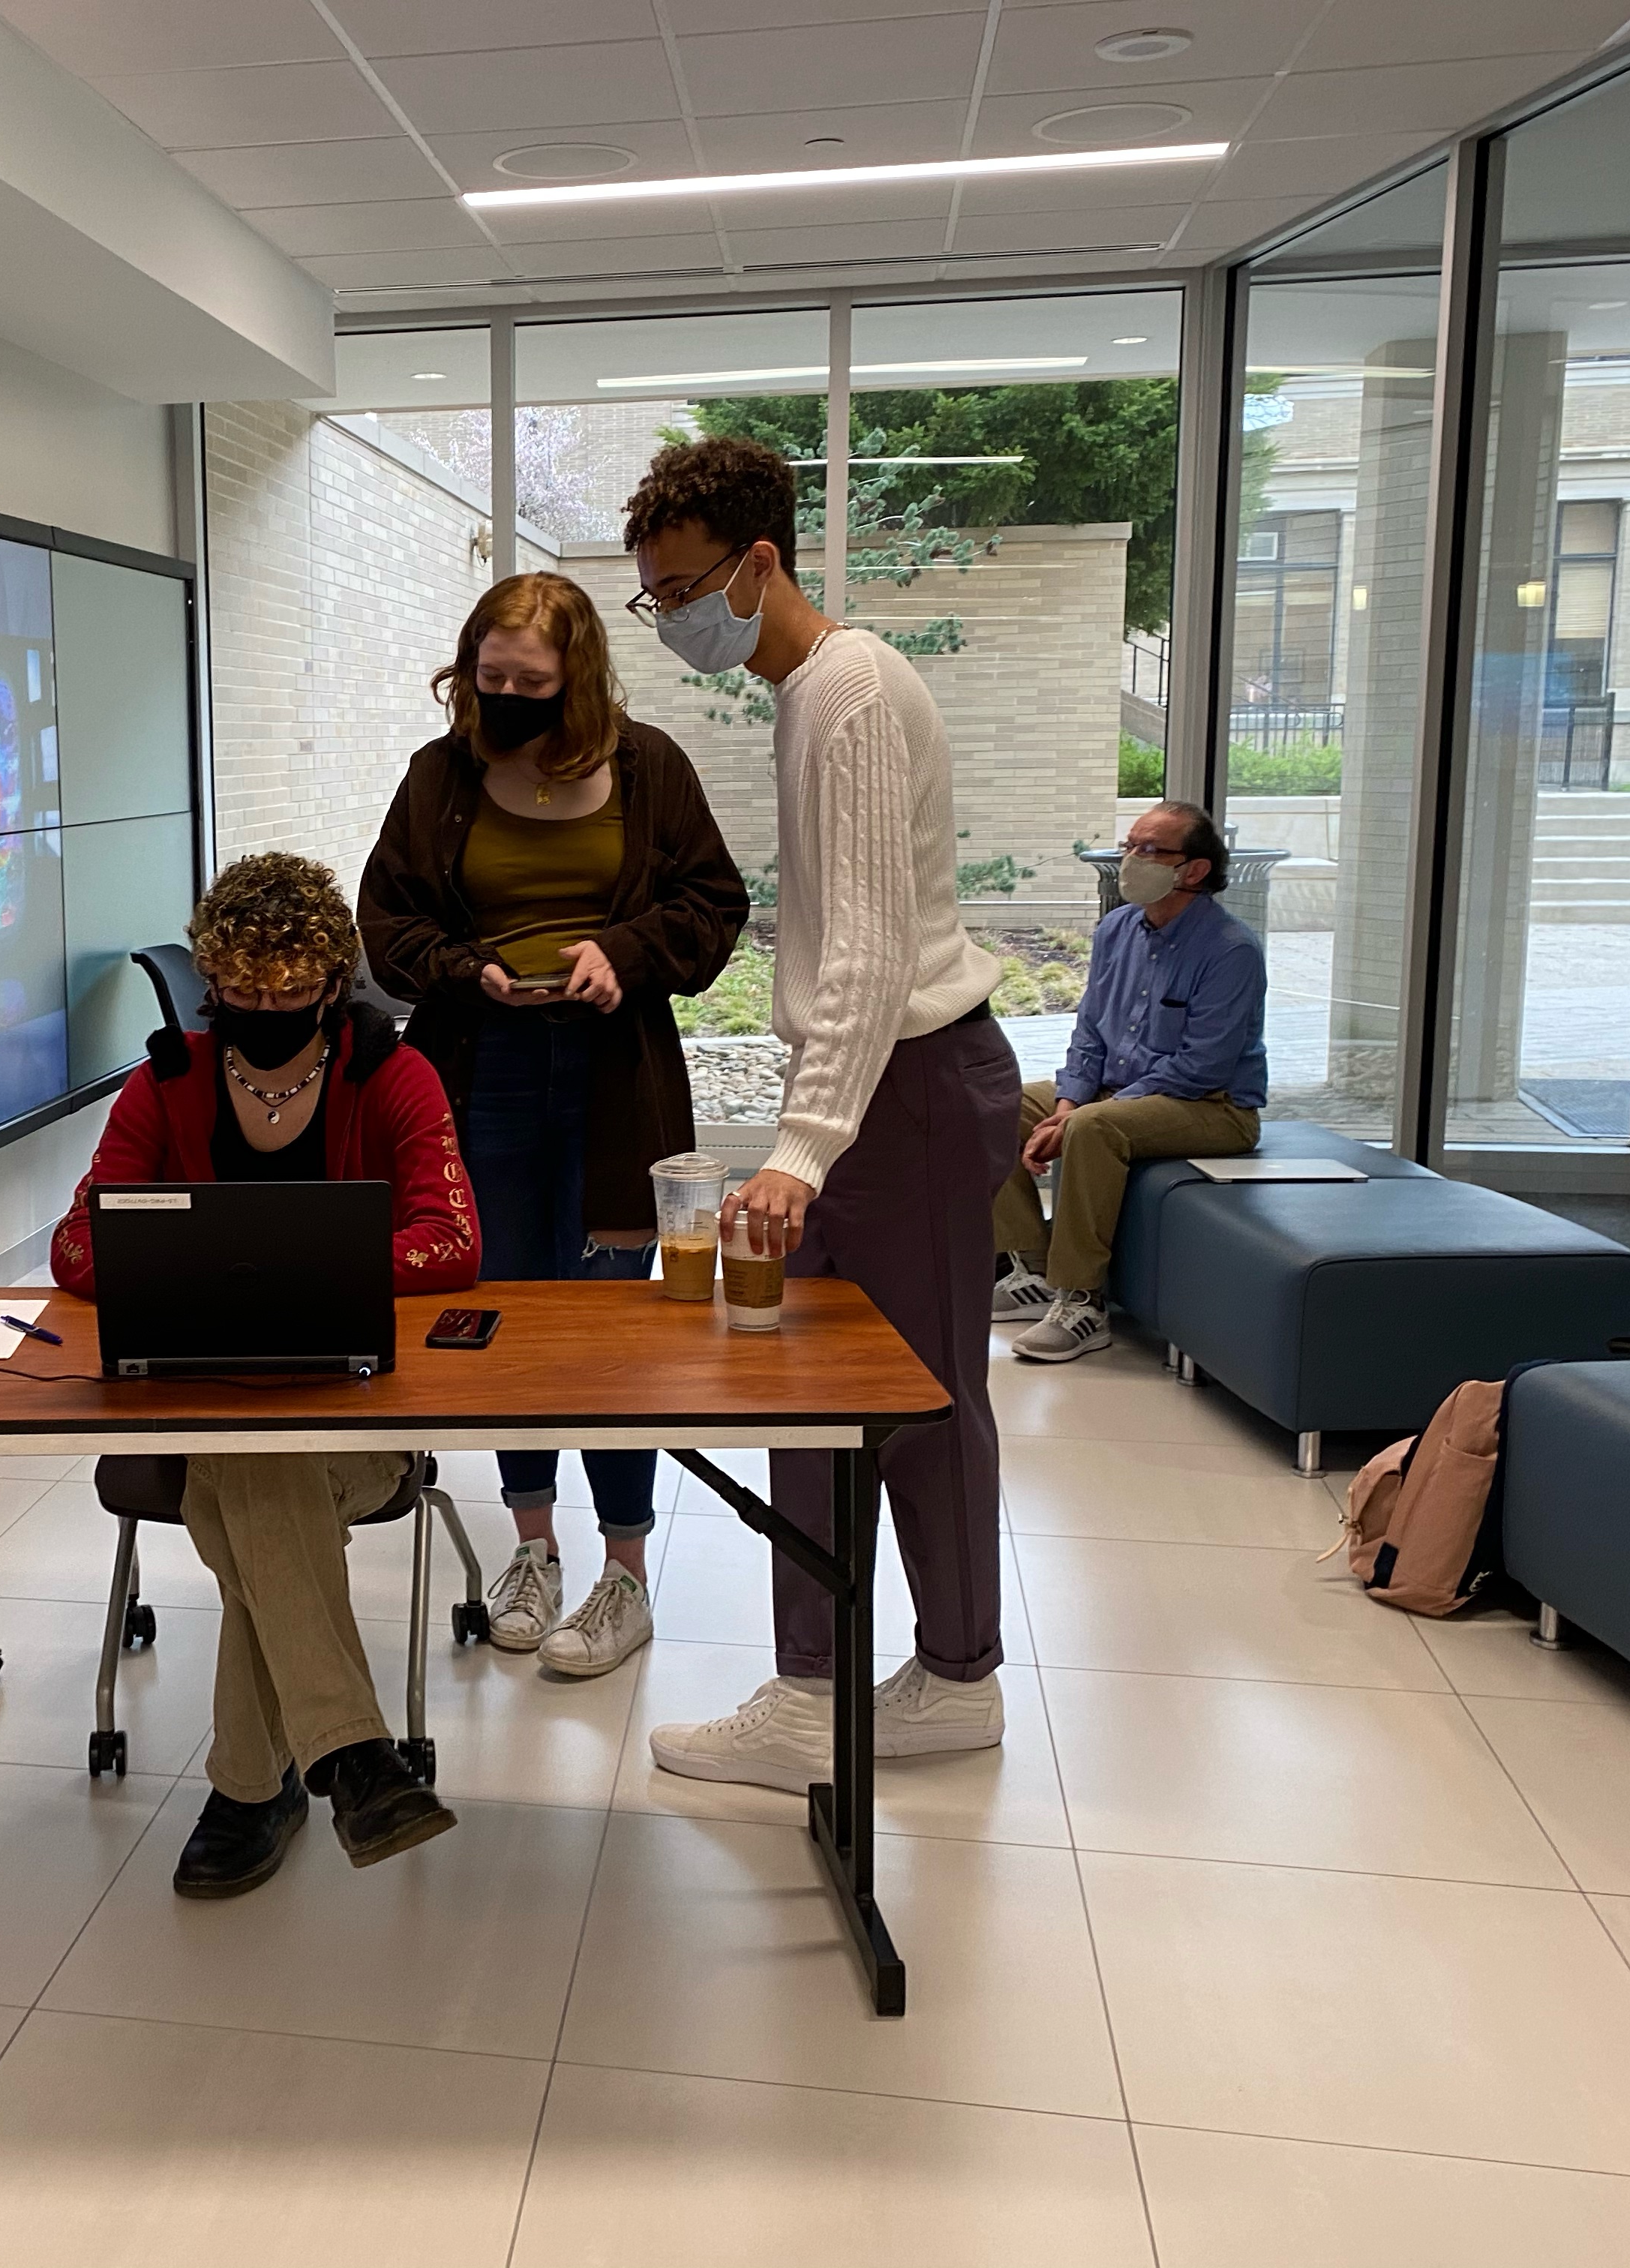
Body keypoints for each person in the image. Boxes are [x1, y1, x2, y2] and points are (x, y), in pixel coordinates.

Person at [623, 436, 1027, 1792]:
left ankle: (950, 1676)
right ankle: (819, 1679)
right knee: (814, 1384)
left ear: (759, 562)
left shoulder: (842, 688)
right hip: (894, 1086)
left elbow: (860, 949)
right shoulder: (815, 686)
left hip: (903, 1090)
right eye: (653, 597)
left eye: (684, 588)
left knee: (913, 1397)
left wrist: (798, 1150)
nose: (675, 619)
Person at [49, 854, 479, 1898]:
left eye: (293, 993)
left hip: (360, 1428)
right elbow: (76, 1246)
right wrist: (216, 1265)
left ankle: (258, 1786)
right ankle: (349, 1761)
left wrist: (290, 1262)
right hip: (203, 1419)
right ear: (211, 985)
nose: (269, 1009)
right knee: (256, 1473)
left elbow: (453, 1242)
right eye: (244, 993)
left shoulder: (394, 1074)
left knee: (258, 1485)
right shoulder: (169, 1082)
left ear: (334, 983)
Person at [359, 573, 746, 1678]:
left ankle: (625, 1572)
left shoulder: (649, 765)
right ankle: (534, 1549)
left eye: (533, 683)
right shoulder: (440, 777)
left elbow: (714, 903)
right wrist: (460, 970)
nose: (511, 699)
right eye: (492, 681)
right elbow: (384, 920)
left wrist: (618, 955)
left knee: (619, 1327)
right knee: (506, 1314)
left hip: (616, 1076)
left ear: (577, 678)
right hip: (479, 1070)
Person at [993, 800, 1267, 1361]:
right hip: (1115, 1092)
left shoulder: (1231, 950)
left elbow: (1203, 1066)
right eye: (1129, 847)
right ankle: (1032, 1269)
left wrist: (1079, 1116)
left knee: (1096, 1127)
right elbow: (1090, 1030)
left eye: (1149, 850)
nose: (1131, 860)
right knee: (1001, 1104)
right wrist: (1068, 1099)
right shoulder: (1117, 929)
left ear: (1193, 870)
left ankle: (1083, 1302)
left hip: (1212, 1105)